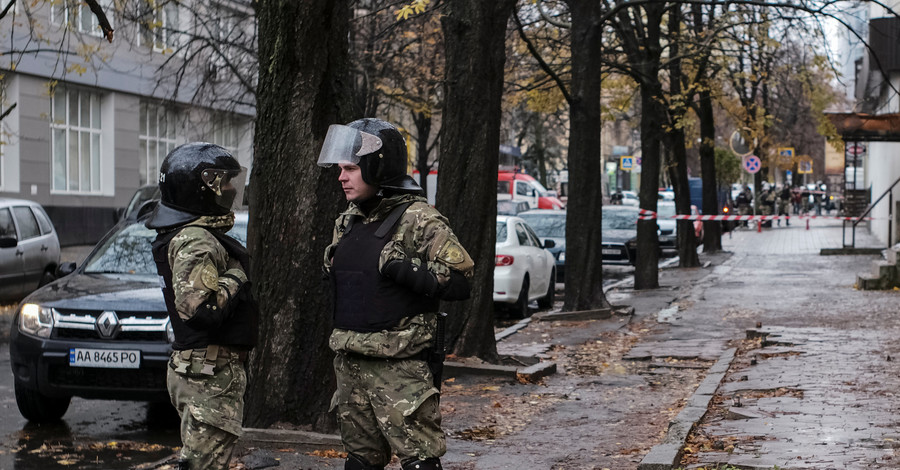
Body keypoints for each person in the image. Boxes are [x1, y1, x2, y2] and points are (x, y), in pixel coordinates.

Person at [319, 118, 474, 470]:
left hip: (399, 365)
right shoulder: (349, 220)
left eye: (351, 168)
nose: (341, 177)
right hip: (350, 358)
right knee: (360, 460)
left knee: (419, 460)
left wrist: (404, 267)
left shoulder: (419, 219)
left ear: (377, 165)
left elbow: (462, 280)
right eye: (340, 168)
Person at [146, 143, 257, 470]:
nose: (231, 188)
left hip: (202, 369)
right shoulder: (196, 238)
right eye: (222, 182)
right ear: (200, 190)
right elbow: (200, 311)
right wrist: (237, 275)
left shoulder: (192, 233)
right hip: (208, 373)